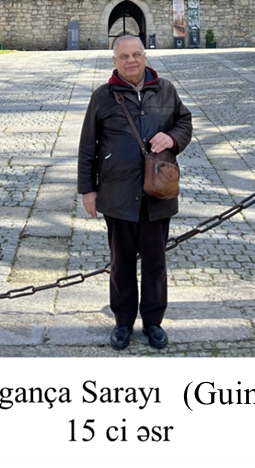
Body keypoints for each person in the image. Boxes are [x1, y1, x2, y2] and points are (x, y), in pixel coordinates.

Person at [77, 34, 193, 350]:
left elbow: (184, 122)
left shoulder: (166, 90)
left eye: (137, 54)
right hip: (117, 194)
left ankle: (153, 322)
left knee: (155, 263)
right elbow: (88, 146)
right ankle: (123, 323)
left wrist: (172, 139)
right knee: (122, 263)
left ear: (145, 57)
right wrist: (88, 190)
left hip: (158, 193)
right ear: (115, 62)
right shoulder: (102, 97)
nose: (131, 60)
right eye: (124, 56)